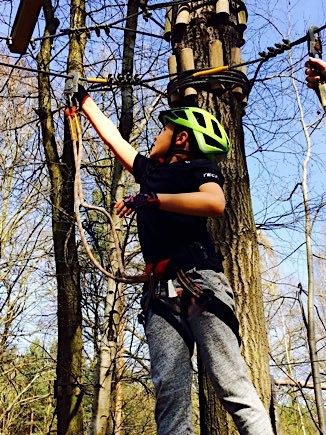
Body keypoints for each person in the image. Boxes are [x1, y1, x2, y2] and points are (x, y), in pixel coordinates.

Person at [73, 85, 274, 435]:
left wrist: (153, 200)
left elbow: (214, 203)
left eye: (165, 129)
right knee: (170, 395)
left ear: (182, 138)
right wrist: (85, 103)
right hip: (160, 294)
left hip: (200, 284)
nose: (158, 134)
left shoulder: (199, 167)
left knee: (231, 385)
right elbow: (114, 141)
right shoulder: (150, 172)